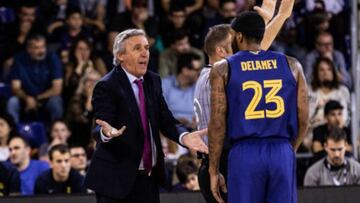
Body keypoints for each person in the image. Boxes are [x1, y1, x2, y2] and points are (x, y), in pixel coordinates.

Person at [84, 29, 208, 203]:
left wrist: (184, 136)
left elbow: (166, 119)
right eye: (137, 48)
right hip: (115, 181)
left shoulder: (153, 80)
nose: (145, 53)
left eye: (147, 48)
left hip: (147, 179)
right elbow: (100, 125)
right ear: (120, 56)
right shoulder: (107, 86)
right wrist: (107, 132)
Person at [195, 0, 296, 202]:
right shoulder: (213, 76)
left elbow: (254, 55)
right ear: (222, 51)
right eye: (236, 41)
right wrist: (280, 17)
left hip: (225, 159)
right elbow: (251, 58)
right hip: (220, 162)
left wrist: (267, 21)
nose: (242, 45)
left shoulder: (220, 72)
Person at [7, 34, 63, 123]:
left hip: (45, 98)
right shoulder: (19, 59)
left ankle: (56, 131)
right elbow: (15, 87)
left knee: (56, 101)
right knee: (12, 102)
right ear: (29, 49)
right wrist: (27, 98)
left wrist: (36, 99)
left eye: (43, 47)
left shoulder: (52, 58)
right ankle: (14, 132)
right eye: (36, 48)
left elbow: (57, 89)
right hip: (25, 98)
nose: (41, 51)